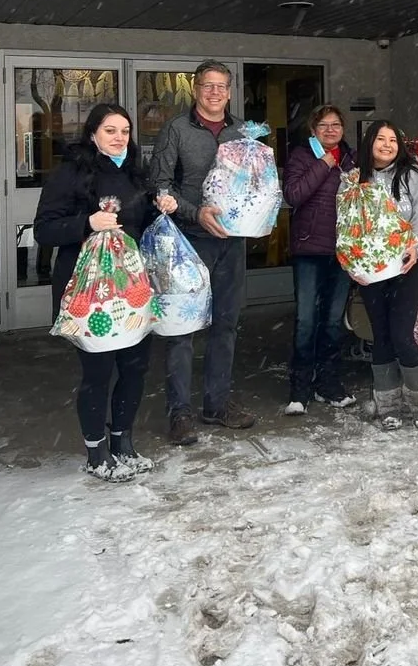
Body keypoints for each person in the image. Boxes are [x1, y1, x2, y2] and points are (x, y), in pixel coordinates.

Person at [33, 104, 177, 481]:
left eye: (125, 131)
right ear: (93, 133)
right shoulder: (70, 174)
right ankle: (96, 452)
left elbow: (141, 225)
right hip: (89, 291)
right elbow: (44, 230)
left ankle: (122, 443)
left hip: (130, 289)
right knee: (98, 372)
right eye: (110, 130)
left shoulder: (134, 174)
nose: (119, 138)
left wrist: (162, 207)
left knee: (135, 368)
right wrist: (86, 223)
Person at [149, 60, 256, 445]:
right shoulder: (177, 130)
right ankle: (180, 413)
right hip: (187, 243)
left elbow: (256, 182)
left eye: (221, 86)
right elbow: (160, 188)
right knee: (182, 330)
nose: (214, 92)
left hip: (232, 242)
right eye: (207, 85)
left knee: (226, 324)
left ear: (230, 91)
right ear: (195, 89)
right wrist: (196, 213)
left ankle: (217, 404)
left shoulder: (243, 131)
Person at [356, 121, 418, 430]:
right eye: (380, 139)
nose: (387, 145)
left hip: (406, 265)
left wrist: (414, 246)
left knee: (402, 335)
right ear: (369, 143)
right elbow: (347, 224)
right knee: (382, 337)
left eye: (393, 140)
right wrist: (352, 265)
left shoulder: (412, 174)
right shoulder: (355, 179)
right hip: (370, 270)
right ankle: (388, 406)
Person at [283, 105, 358, 414]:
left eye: (336, 124)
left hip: (342, 250)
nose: (330, 130)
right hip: (309, 249)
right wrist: (324, 164)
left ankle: (328, 383)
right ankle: (299, 389)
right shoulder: (302, 156)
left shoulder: (353, 158)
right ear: (313, 129)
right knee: (305, 321)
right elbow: (293, 195)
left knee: (332, 321)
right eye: (324, 125)